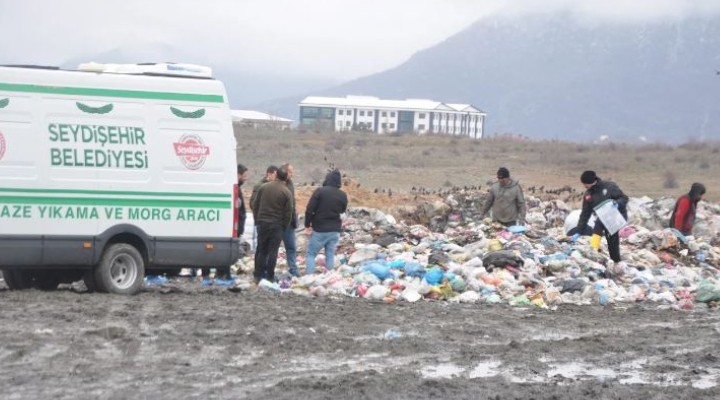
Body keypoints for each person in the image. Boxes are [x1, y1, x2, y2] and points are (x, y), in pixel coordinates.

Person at [573, 170, 629, 263]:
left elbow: (624, 198)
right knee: (608, 235)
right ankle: (615, 261)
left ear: (592, 181)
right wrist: (579, 231)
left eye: (586, 184)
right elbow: (585, 214)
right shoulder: (588, 195)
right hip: (604, 218)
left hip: (618, 215)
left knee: (610, 236)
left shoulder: (609, 186)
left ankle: (594, 250)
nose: (584, 186)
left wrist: (617, 203)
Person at [252, 167, 293, 283]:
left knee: (262, 250)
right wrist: (284, 226)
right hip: (277, 226)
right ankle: (270, 276)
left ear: (276, 175)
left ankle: (258, 276)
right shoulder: (286, 192)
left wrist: (257, 220)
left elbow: (256, 205)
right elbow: (288, 213)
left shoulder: (263, 187)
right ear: (285, 178)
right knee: (273, 251)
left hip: (263, 223)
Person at [304, 169, 348, 274]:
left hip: (320, 230)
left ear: (327, 179)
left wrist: (307, 224)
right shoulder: (343, 195)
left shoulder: (320, 191)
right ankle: (329, 277)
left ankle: (309, 277)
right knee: (330, 255)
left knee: (311, 254)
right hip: (335, 231)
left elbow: (310, 210)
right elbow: (342, 211)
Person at [250, 165, 278, 251]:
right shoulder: (259, 186)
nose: (276, 178)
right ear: (269, 174)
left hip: (272, 221)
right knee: (262, 247)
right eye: (275, 175)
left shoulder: (275, 187)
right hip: (262, 221)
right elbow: (253, 204)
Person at [280, 163, 299, 277]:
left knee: (291, 247)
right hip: (279, 222)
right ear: (285, 172)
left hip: (290, 222)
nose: (292, 174)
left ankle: (294, 270)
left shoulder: (291, 184)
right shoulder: (276, 185)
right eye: (291, 171)